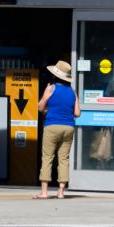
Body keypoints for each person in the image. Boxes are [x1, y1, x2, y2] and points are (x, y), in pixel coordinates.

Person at [34, 60, 80, 200]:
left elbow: (40, 107)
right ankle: (61, 192)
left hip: (52, 126)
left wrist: (46, 98)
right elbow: (77, 113)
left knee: (48, 158)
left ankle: (44, 192)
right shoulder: (72, 92)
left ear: (55, 75)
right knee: (63, 159)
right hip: (69, 127)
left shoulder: (51, 88)